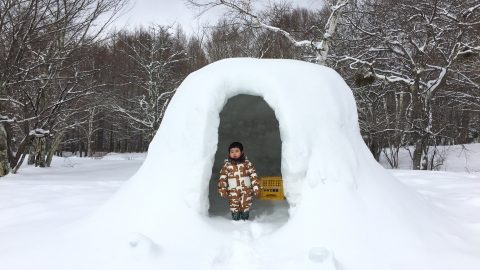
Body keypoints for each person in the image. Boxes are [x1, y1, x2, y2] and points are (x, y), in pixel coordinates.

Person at [218, 142, 261, 221]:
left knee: (245, 205)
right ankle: (236, 220)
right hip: (233, 191)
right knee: (234, 206)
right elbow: (222, 177)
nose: (234, 153)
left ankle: (245, 219)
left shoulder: (247, 163)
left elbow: (253, 175)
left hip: (246, 190)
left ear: (241, 152)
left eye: (237, 151)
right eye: (232, 151)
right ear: (229, 153)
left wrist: (256, 186)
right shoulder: (227, 165)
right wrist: (222, 188)